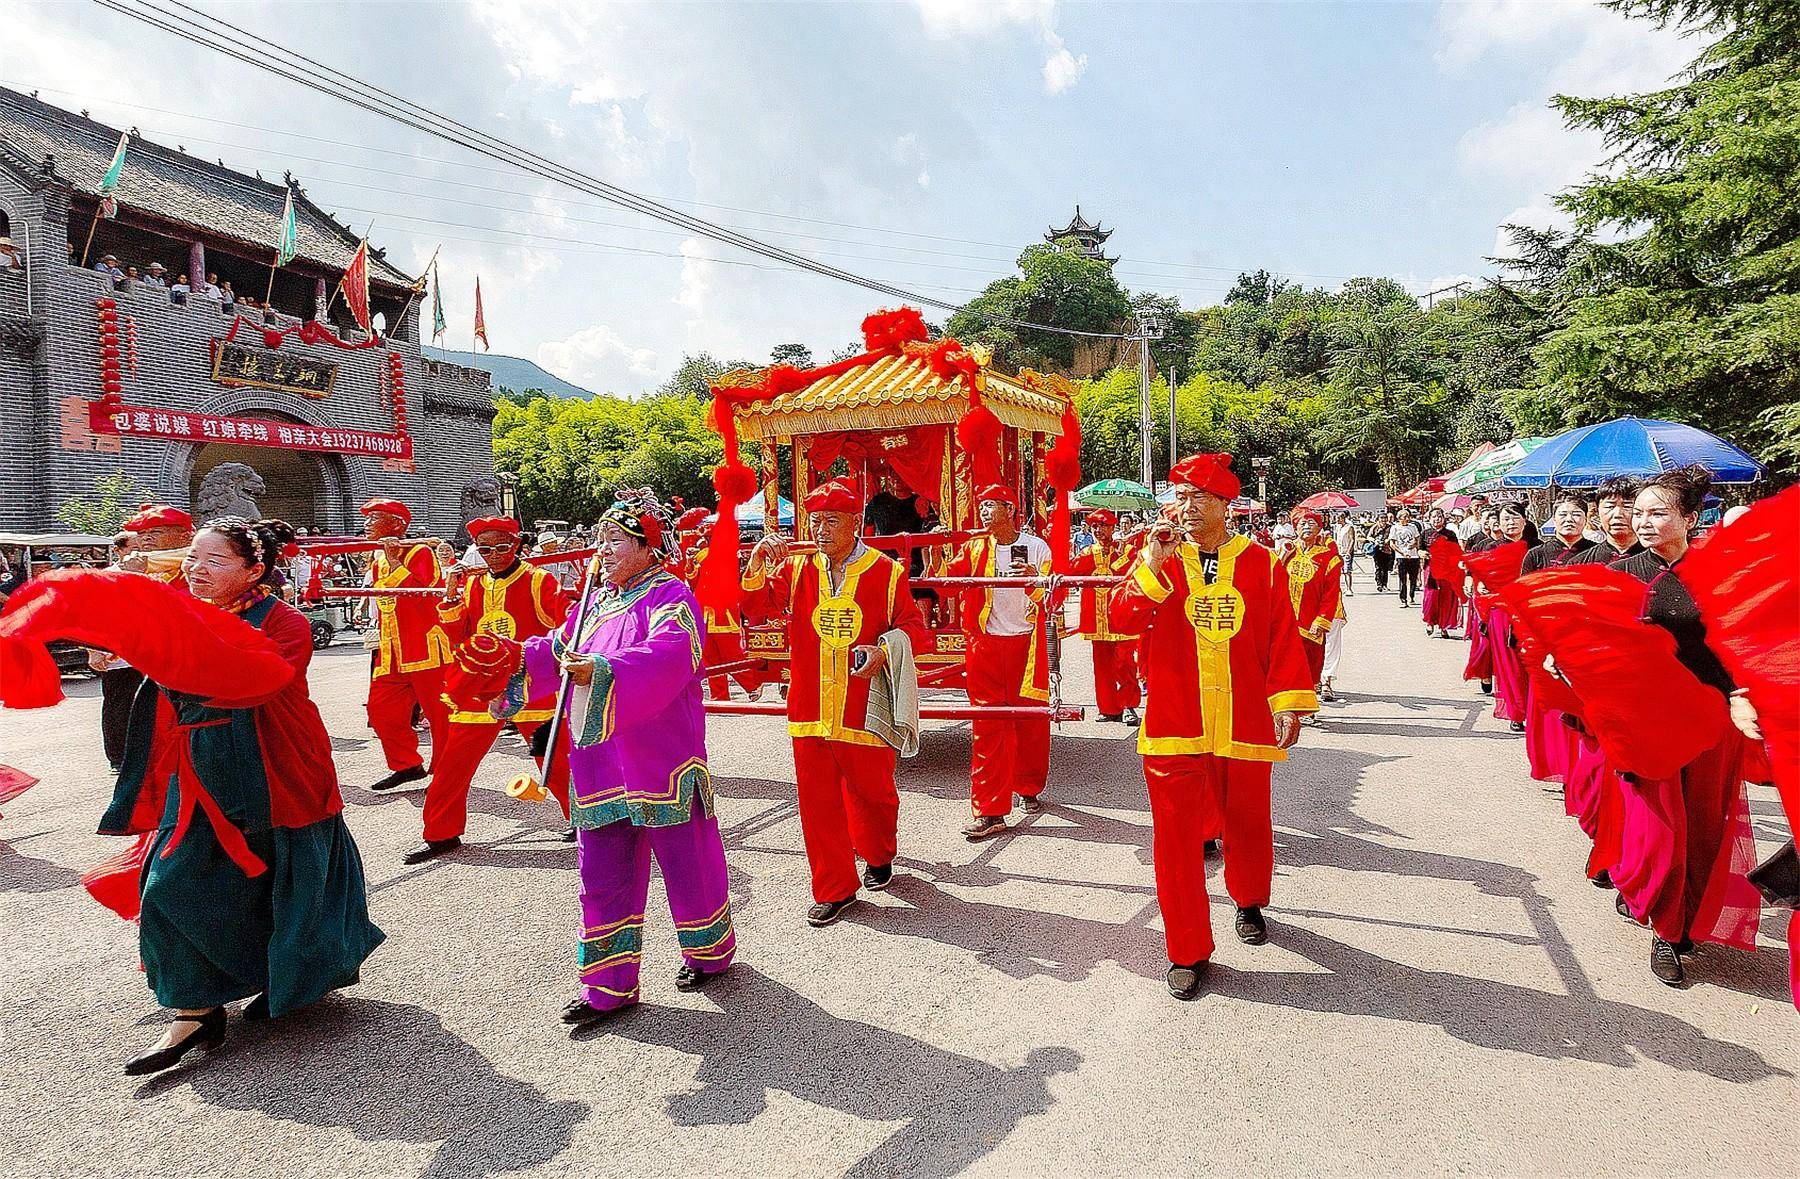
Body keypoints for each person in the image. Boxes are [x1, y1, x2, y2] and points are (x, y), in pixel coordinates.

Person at [102, 517, 384, 1074]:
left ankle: (288, 977)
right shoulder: (179, 608)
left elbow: (249, 680)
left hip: (276, 762)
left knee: (285, 872)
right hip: (200, 763)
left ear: (256, 570)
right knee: (168, 881)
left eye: (215, 561)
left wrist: (162, 645)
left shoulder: (287, 624)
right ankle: (196, 1008)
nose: (196, 569)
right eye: (192, 558)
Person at [503, 492, 735, 1026]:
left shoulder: (672, 598)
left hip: (661, 757)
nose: (600, 550)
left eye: (614, 540)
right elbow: (555, 649)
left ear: (649, 547)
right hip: (601, 760)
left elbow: (671, 655)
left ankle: (709, 951)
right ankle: (608, 984)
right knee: (602, 869)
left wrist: (603, 671)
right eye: (599, 540)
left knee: (688, 861)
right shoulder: (592, 604)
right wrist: (513, 658)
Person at [1110, 454, 1317, 1001]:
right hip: (1175, 719)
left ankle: (1248, 899)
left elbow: (1282, 637)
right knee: (1174, 838)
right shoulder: (1155, 557)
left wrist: (1288, 703)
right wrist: (1152, 564)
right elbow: (1121, 618)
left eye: (1199, 497)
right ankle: (1186, 948)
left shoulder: (1264, 563)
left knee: (1247, 819)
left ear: (1227, 505)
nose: (1187, 508)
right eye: (1180, 497)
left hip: (1244, 715)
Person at [743, 479, 928, 927]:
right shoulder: (799, 570)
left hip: (864, 704)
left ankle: (879, 851)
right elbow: (756, 606)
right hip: (809, 705)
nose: (820, 530)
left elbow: (915, 628)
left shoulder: (887, 573)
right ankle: (834, 888)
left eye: (830, 521)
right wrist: (754, 564)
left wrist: (885, 650)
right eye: (815, 521)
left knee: (875, 793)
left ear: (854, 524)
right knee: (817, 802)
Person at [1605, 468, 1761, 985]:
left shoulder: (1721, 572)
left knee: (1704, 821)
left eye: (1657, 513)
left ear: (1690, 518)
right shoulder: (1623, 573)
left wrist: (1743, 696)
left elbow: (1742, 644)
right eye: (1639, 513)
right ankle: (1666, 930)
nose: (1642, 522)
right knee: (1660, 827)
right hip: (1649, 718)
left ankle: (1689, 918)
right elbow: (1600, 639)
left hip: (1715, 715)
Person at [410, 516, 573, 864]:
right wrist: (451, 597)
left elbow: (565, 628)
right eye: (485, 549)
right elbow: (459, 636)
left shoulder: (538, 580)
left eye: (502, 547)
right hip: (480, 689)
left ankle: (583, 818)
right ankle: (441, 832)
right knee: (454, 762)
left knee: (554, 757)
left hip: (530, 688)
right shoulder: (473, 585)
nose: (494, 554)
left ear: (517, 545)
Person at [939, 484, 1053, 840]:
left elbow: (1052, 596)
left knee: (1030, 722)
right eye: (982, 506)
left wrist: (1031, 579)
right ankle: (989, 810)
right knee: (988, 726)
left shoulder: (1037, 547)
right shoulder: (974, 547)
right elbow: (946, 583)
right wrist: (938, 549)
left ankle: (1030, 786)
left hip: (1027, 647)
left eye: (991, 506)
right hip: (986, 646)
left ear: (1010, 509)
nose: (985, 512)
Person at [358, 498, 452, 792]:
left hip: (424, 646)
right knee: (380, 710)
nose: (366, 525)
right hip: (391, 648)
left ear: (396, 525)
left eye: (373, 519)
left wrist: (397, 561)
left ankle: (447, 772)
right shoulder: (377, 559)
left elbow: (423, 594)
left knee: (440, 715)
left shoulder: (420, 551)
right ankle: (407, 764)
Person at [1516, 495, 1597, 787]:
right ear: (1553, 518)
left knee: (1580, 707)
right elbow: (1523, 597)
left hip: (1582, 640)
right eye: (1563, 514)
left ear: (1587, 519)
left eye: (1576, 514)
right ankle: (1561, 766)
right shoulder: (1537, 554)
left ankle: (1579, 769)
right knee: (1551, 709)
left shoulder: (1594, 553)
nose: (1569, 519)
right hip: (1544, 638)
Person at [1068, 509, 1142, 726]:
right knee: (1102, 666)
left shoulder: (1127, 550)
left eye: (1103, 526)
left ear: (1113, 528)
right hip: (1097, 621)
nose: (1099, 531)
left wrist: (1121, 557)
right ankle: (1108, 708)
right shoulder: (1087, 553)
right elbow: (1070, 574)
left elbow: (1135, 574)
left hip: (1122, 618)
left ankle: (1128, 706)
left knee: (1125, 664)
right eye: (1095, 527)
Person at [1280, 508, 1342, 699]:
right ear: (1295, 528)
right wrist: (1282, 557)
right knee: (1284, 665)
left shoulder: (1329, 558)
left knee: (1310, 665)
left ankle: (1307, 706)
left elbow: (1330, 594)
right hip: (1285, 621)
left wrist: (1321, 620)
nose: (1306, 527)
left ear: (1319, 528)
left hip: (1311, 622)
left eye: (1311, 523)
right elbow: (1272, 580)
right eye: (1301, 523)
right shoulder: (1288, 551)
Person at [1419, 508, 1464, 639]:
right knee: (1431, 596)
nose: (1436, 519)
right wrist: (1422, 553)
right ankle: (1430, 622)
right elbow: (1419, 549)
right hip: (1431, 569)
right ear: (1430, 518)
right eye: (1434, 517)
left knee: (1446, 598)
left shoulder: (1450, 534)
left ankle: (1444, 626)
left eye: (1439, 516)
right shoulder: (1425, 533)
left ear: (1443, 518)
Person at [1387, 508, 1423, 608]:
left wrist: (1414, 545)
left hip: (1413, 555)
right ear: (1399, 518)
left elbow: (1418, 539)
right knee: (1402, 579)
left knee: (1413, 578)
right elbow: (1392, 544)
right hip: (1401, 556)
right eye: (1404, 517)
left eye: (1408, 517)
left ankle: (1411, 596)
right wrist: (1401, 552)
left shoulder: (1413, 527)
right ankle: (1403, 599)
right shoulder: (1395, 528)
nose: (1407, 519)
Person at [1368, 511, 1394, 592]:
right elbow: (1368, 536)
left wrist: (1388, 540)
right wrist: (1374, 540)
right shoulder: (1375, 527)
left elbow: (1393, 536)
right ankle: (1379, 584)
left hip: (1387, 550)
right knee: (1378, 567)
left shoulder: (1390, 527)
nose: (1383, 520)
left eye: (1385, 518)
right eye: (1381, 518)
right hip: (1377, 549)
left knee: (1386, 568)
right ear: (1378, 519)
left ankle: (1385, 584)